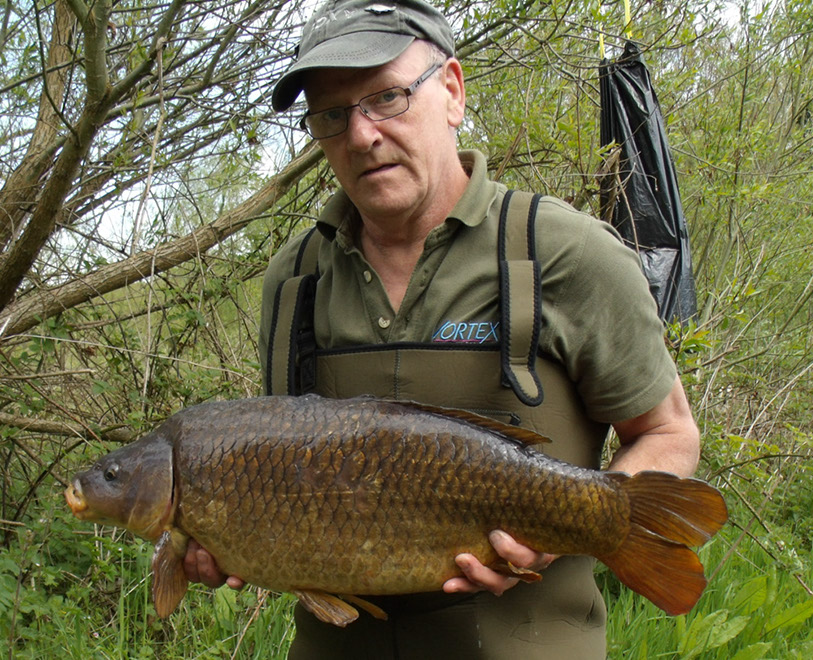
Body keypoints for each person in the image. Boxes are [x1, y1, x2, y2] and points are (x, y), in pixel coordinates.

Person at [184, 1, 701, 657]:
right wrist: (231, 536)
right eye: (331, 115)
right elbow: (282, 474)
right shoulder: (294, 277)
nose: (362, 134)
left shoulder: (569, 254)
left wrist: (549, 530)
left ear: (451, 91)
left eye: (387, 97)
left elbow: (669, 434)